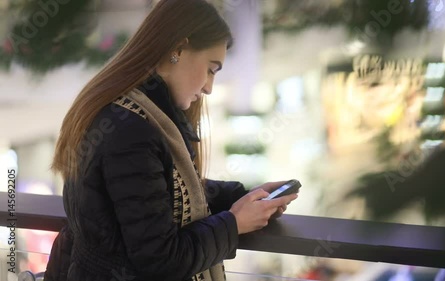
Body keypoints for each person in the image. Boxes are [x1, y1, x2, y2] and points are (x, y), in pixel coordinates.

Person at [44, 0, 298, 281]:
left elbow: (157, 193)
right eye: (211, 69)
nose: (209, 88)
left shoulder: (132, 113)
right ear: (178, 49)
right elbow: (161, 259)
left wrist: (242, 197)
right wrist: (234, 223)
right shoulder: (132, 131)